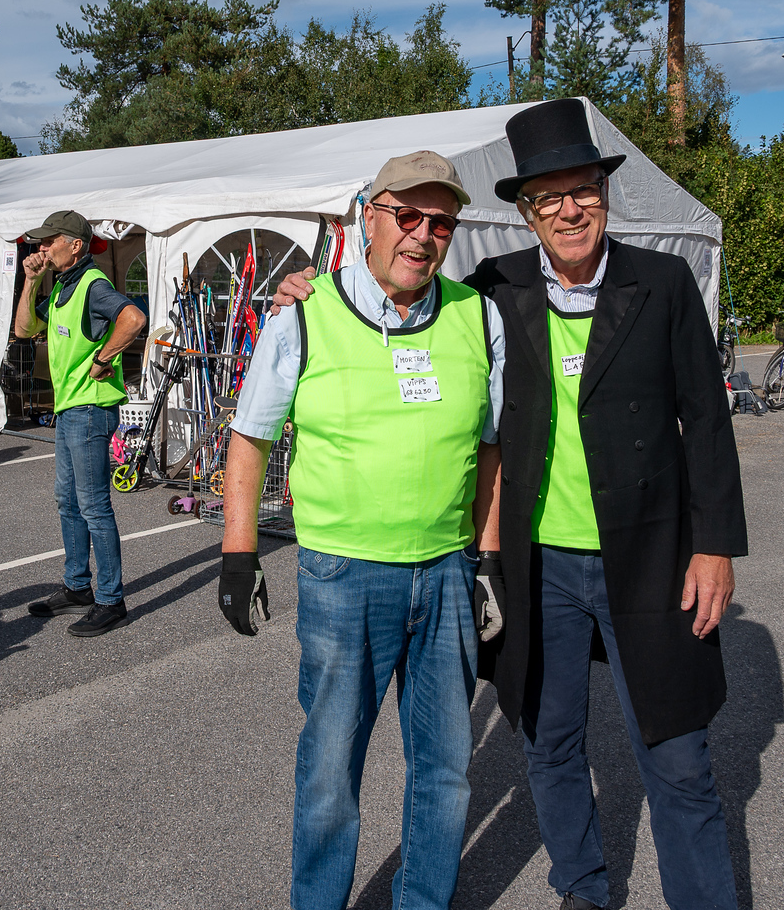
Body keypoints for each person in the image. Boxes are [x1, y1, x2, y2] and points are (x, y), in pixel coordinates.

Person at [274, 100, 747, 910]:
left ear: (605, 194)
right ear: (526, 213)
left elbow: (706, 419)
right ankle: (584, 887)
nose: (569, 210)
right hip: (538, 565)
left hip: (651, 557)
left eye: (583, 192)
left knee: (676, 753)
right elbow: (402, 288)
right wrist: (316, 284)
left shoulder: (662, 284)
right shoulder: (497, 287)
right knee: (550, 741)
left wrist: (715, 547)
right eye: (548, 198)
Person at [222, 151, 505, 910]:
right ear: (367, 217)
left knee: (445, 767)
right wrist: (237, 552)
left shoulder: (476, 315)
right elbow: (248, 438)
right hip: (344, 576)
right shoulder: (304, 313)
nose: (422, 235)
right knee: (329, 770)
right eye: (406, 215)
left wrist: (489, 559)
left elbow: (489, 447)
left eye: (439, 220)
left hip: (445, 571)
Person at [13, 210, 148, 637]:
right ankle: (77, 588)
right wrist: (31, 278)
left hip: (90, 409)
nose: (41, 248)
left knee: (92, 505)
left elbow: (134, 318)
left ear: (75, 245)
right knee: (68, 502)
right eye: (39, 243)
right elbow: (23, 328)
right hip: (72, 409)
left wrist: (104, 359)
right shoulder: (60, 288)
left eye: (48, 241)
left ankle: (111, 600)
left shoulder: (92, 285)